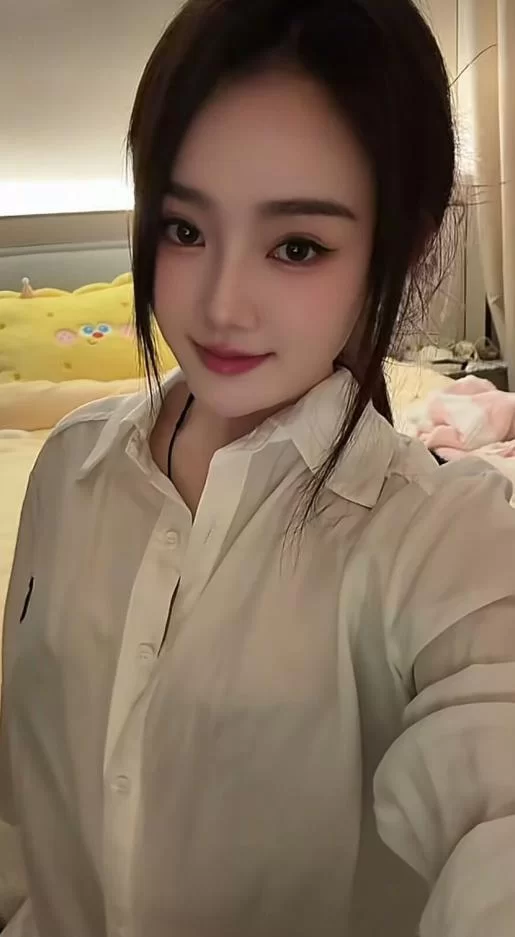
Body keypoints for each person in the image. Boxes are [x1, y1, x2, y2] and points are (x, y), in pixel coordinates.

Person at [1, 0, 515, 934]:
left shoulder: (447, 539)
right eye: (183, 229)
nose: (220, 305)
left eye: (296, 247)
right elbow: (27, 794)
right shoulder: (69, 467)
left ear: (397, 247)